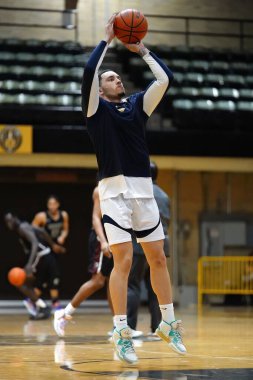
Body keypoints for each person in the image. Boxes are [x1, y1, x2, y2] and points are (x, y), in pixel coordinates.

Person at [81, 14, 187, 364]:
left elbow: (165, 78)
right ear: (100, 90)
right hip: (114, 191)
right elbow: (87, 75)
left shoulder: (138, 106)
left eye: (118, 76)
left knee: (158, 258)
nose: (117, 79)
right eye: (110, 77)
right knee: (123, 262)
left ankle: (168, 323)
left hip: (143, 191)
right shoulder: (96, 111)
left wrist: (140, 48)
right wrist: (107, 40)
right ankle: (121, 330)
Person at [54, 186, 113, 336]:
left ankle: (118, 325)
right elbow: (95, 218)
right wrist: (104, 241)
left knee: (114, 281)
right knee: (98, 281)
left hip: (115, 237)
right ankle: (64, 313)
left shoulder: (120, 187)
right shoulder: (100, 189)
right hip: (102, 238)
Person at [127, 161, 170, 336]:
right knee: (156, 288)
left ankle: (129, 326)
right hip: (161, 245)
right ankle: (158, 327)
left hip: (139, 246)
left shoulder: (140, 194)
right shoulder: (165, 196)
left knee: (132, 285)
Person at [4, 212, 66, 319]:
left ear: (15, 218)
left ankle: (38, 304)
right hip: (45, 255)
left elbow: (35, 243)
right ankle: (39, 305)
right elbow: (42, 231)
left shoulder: (22, 228)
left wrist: (29, 264)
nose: (9, 224)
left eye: (10, 220)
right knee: (34, 284)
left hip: (40, 256)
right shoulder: (25, 225)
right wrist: (53, 245)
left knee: (19, 282)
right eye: (6, 222)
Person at [32, 194, 69, 310]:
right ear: (47, 206)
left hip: (55, 249)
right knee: (52, 273)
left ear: (58, 204)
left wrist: (63, 236)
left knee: (51, 276)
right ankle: (53, 302)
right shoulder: (41, 216)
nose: (52, 206)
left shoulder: (63, 215)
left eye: (54, 204)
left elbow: (65, 229)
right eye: (50, 204)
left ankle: (33, 301)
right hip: (43, 250)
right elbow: (31, 232)